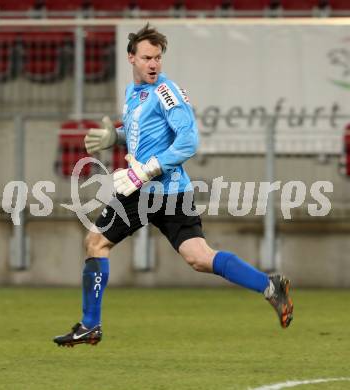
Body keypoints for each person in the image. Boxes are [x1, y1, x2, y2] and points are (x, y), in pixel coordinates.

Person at [53, 24, 293, 347]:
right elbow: (142, 133)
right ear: (131, 59)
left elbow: (188, 141)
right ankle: (90, 325)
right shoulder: (133, 93)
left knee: (199, 258)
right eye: (147, 57)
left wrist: (147, 171)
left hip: (168, 193)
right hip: (140, 192)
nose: (153, 64)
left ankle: (269, 286)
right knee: (96, 242)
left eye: (158, 58)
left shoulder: (168, 92)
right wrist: (116, 136)